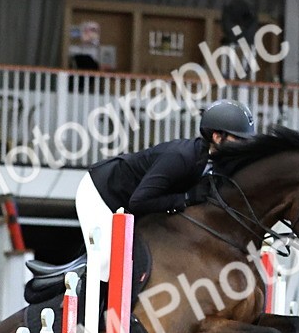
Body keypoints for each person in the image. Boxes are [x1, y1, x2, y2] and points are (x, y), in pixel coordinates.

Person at [75, 99, 256, 281]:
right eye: (238, 139)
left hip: (132, 205)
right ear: (217, 137)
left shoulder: (218, 166)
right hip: (102, 193)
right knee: (107, 263)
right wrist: (184, 199)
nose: (245, 146)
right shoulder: (181, 157)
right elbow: (139, 201)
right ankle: (83, 307)